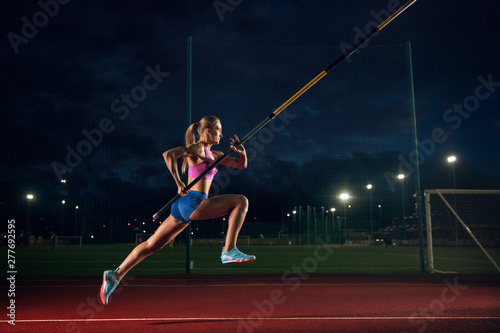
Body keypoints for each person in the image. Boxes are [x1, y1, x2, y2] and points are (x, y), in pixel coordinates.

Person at [100, 116, 255, 305]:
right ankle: (229, 250)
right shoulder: (198, 149)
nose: (222, 134)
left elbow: (241, 164)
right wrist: (178, 181)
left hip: (183, 207)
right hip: (193, 203)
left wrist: (242, 151)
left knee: (151, 245)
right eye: (219, 130)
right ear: (208, 131)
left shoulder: (215, 154)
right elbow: (168, 154)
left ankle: (115, 275)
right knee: (241, 201)